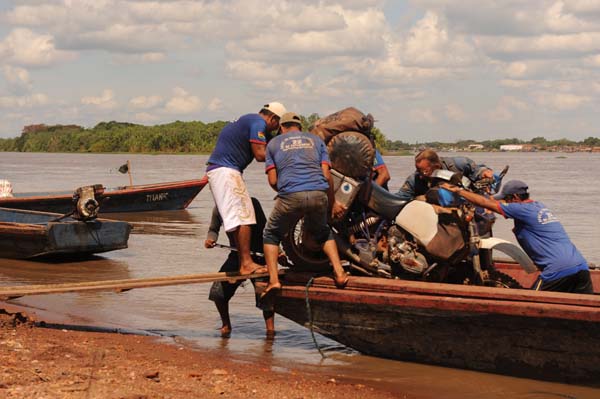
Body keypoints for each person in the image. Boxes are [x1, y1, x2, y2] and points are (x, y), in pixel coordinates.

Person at [442, 180, 594, 294]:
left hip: (557, 270)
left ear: (515, 197)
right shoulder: (538, 206)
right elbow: (492, 201)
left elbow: (488, 204)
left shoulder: (521, 209)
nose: (505, 202)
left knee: (531, 307)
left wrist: (459, 191)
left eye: (507, 199)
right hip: (580, 266)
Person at [261, 112, 349, 297]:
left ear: (281, 128)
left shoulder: (273, 144)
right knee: (323, 231)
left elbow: (272, 179)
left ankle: (274, 281)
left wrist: (288, 192)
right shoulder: (316, 141)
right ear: (300, 127)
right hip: (319, 193)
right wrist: (331, 203)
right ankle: (340, 273)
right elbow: (326, 176)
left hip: (291, 195)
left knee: (271, 233)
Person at [205, 102, 286, 276]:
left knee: (240, 217)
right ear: (273, 118)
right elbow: (260, 154)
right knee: (244, 216)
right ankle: (246, 264)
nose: (274, 130)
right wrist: (286, 156)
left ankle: (244, 262)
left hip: (222, 171)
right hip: (226, 171)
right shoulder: (258, 123)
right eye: (276, 126)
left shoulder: (249, 120)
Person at [205, 197, 275, 338]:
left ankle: (270, 330)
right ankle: (226, 325)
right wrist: (210, 239)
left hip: (259, 256)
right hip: (236, 256)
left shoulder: (252, 203)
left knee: (265, 295)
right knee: (218, 292)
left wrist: (275, 253)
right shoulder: (219, 207)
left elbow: (265, 230)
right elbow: (213, 229)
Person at [395, 149, 494, 201]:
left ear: (437, 166)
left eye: (424, 172)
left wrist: (484, 173)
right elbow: (400, 198)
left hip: (466, 207)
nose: (421, 175)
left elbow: (478, 170)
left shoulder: (459, 164)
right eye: (418, 170)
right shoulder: (414, 179)